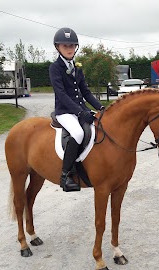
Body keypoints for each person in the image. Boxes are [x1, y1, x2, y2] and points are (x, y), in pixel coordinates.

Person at [49, 27, 104, 192]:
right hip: (64, 112)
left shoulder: (77, 67)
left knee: (98, 129)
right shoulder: (55, 67)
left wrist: (100, 107)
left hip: (80, 110)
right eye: (65, 46)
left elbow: (85, 92)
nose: (69, 49)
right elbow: (62, 94)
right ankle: (65, 175)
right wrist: (80, 112)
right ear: (58, 47)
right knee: (78, 133)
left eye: (72, 46)